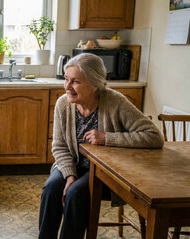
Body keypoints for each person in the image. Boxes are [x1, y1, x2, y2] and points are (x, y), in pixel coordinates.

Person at [38, 53, 164, 239]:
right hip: (72, 164)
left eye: (75, 82)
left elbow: (154, 137)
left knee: (75, 194)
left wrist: (108, 138)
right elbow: (59, 146)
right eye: (66, 79)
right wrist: (70, 174)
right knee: (51, 189)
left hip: (103, 172)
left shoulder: (115, 102)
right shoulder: (63, 104)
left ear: (95, 84)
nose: (67, 87)